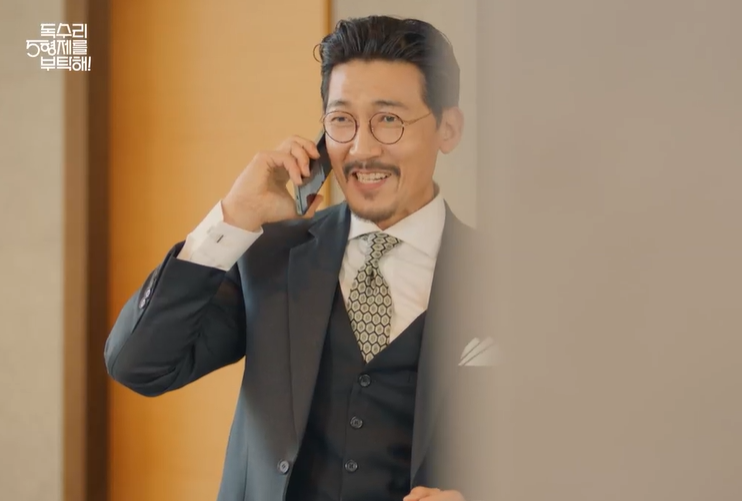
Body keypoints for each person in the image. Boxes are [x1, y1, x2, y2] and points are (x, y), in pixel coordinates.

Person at [104, 15, 494, 501]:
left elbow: (563, 450)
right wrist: (233, 217)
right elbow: (137, 364)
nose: (362, 148)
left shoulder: (505, 279)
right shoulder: (273, 255)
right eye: (342, 120)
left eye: (389, 120)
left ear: (448, 129)